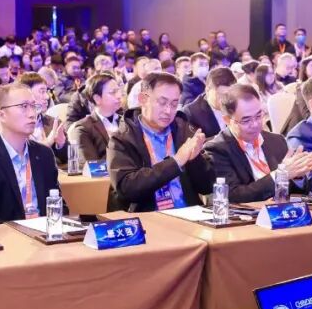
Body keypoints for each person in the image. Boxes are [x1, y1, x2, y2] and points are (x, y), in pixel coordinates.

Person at [0, 82, 64, 224]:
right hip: (6, 235)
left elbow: (59, 205)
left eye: (34, 106)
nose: (32, 114)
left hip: (46, 232)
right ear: (1, 115)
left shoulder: (44, 154)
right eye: (24, 106)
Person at [108, 71, 214, 212]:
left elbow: (207, 187)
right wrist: (176, 161)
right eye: (162, 102)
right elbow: (127, 190)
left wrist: (195, 161)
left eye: (174, 104)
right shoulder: (122, 139)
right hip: (147, 217)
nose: (168, 111)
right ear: (142, 99)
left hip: (189, 214)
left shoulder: (184, 131)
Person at [204, 84, 312, 202]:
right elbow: (233, 196)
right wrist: (279, 175)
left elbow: (297, 193)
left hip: (281, 209)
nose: (255, 124)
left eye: (258, 116)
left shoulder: (277, 141)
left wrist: (297, 176)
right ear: (227, 120)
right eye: (246, 120)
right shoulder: (217, 149)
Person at [69, 71, 122, 162]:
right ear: (97, 99)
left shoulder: (127, 121)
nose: (119, 96)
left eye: (118, 90)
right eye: (113, 92)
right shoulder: (83, 128)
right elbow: (93, 165)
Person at [183, 67, 237, 139]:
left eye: (229, 95)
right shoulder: (191, 113)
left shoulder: (237, 104)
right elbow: (195, 143)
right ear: (207, 90)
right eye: (221, 95)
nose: (225, 100)